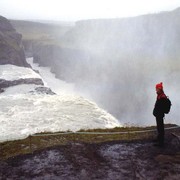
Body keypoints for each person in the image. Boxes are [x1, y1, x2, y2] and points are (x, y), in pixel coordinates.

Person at [153, 82, 167, 147]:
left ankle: (161, 143)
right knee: (159, 127)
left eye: (157, 89)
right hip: (158, 114)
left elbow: (160, 107)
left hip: (160, 115)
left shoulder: (162, 97)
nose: (156, 90)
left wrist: (157, 112)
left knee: (161, 128)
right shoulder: (160, 95)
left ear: (159, 89)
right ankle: (159, 139)